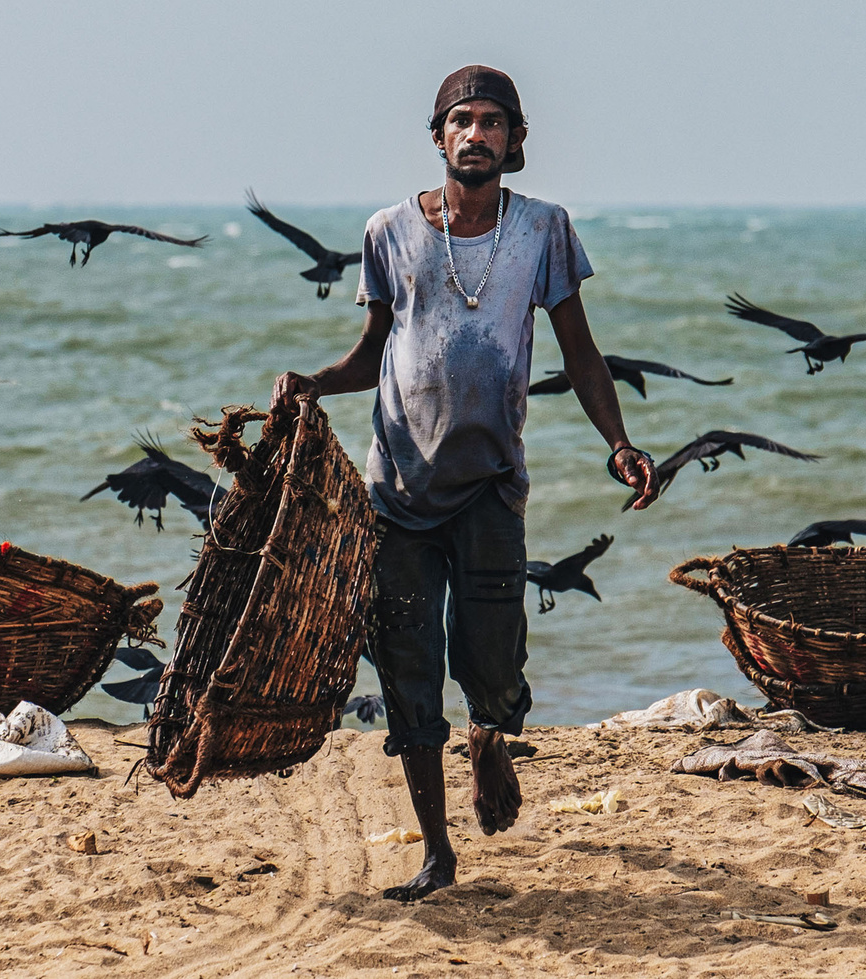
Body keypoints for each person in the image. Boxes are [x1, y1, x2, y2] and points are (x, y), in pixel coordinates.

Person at [271, 64, 660, 904]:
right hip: (398, 494)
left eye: (492, 121)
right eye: (461, 120)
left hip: (491, 488)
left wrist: (620, 441)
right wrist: (313, 383)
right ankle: (438, 854)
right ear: (439, 136)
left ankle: (489, 734)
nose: (476, 134)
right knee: (409, 675)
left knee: (496, 667)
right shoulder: (388, 231)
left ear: (516, 142)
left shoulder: (544, 230)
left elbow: (579, 351)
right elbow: (372, 352)